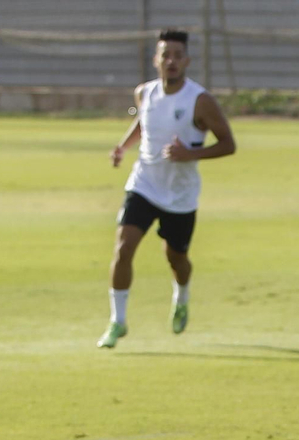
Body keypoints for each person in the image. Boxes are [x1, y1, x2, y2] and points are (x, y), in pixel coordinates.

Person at [98, 28, 236, 347]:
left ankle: (182, 296)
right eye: (165, 55)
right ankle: (117, 322)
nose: (170, 61)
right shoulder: (144, 93)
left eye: (177, 55)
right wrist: (122, 147)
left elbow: (229, 144)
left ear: (186, 61)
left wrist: (191, 154)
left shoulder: (200, 101)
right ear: (155, 59)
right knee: (123, 247)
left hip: (180, 194)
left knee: (176, 258)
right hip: (144, 184)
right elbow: (144, 125)